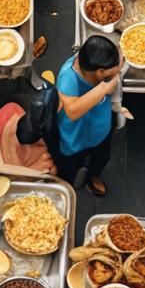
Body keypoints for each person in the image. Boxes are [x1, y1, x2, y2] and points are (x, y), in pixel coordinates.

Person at [53, 35, 120, 195]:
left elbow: (119, 60)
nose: (115, 75)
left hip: (100, 129)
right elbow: (73, 111)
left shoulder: (102, 66)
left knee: (101, 158)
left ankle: (93, 177)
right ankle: (66, 189)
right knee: (69, 168)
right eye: (110, 74)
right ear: (100, 72)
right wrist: (105, 88)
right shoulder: (68, 77)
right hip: (74, 137)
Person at [0, 101, 57, 176]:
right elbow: (0, 167)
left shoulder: (45, 147)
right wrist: (37, 173)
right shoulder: (8, 114)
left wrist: (38, 172)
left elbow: (51, 172)